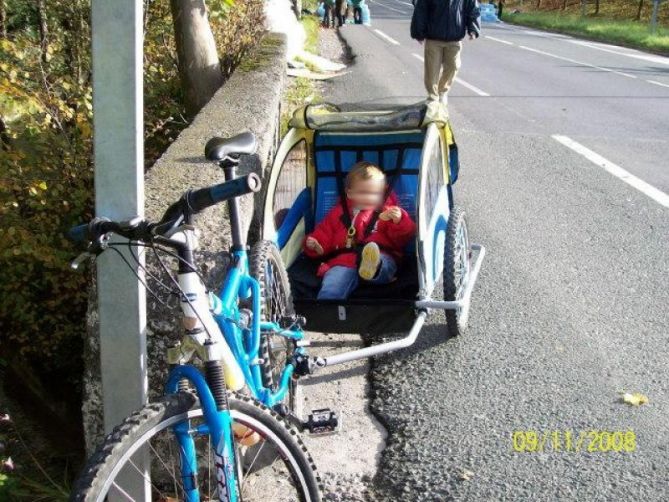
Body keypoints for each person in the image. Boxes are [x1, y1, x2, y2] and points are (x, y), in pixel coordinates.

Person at [303, 161, 416, 300]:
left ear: (383, 192)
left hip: (381, 254)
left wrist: (399, 221)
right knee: (333, 284)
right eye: (363, 193)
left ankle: (373, 267)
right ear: (349, 193)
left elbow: (403, 238)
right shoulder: (338, 213)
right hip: (345, 261)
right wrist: (315, 244)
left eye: (375, 194)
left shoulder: (388, 213)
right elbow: (325, 232)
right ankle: (325, 310)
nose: (369, 198)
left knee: (384, 265)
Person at [410, 0, 481, 104]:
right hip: (434, 37)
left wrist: (473, 29)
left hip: (455, 38)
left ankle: (442, 91)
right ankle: (432, 97)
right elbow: (421, 9)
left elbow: (473, 9)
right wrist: (418, 32)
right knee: (432, 70)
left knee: (454, 66)